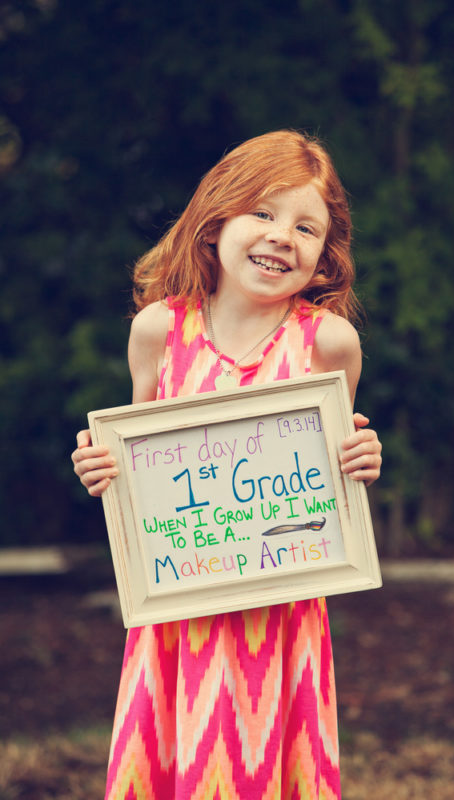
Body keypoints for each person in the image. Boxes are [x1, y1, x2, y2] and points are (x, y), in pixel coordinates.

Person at [72, 129, 382, 800]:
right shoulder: (160, 330)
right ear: (216, 222)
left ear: (325, 258)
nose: (281, 237)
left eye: (306, 227)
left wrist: (358, 457)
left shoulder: (328, 344)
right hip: (179, 613)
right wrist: (104, 470)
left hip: (280, 617)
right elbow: (140, 464)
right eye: (263, 213)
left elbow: (329, 485)